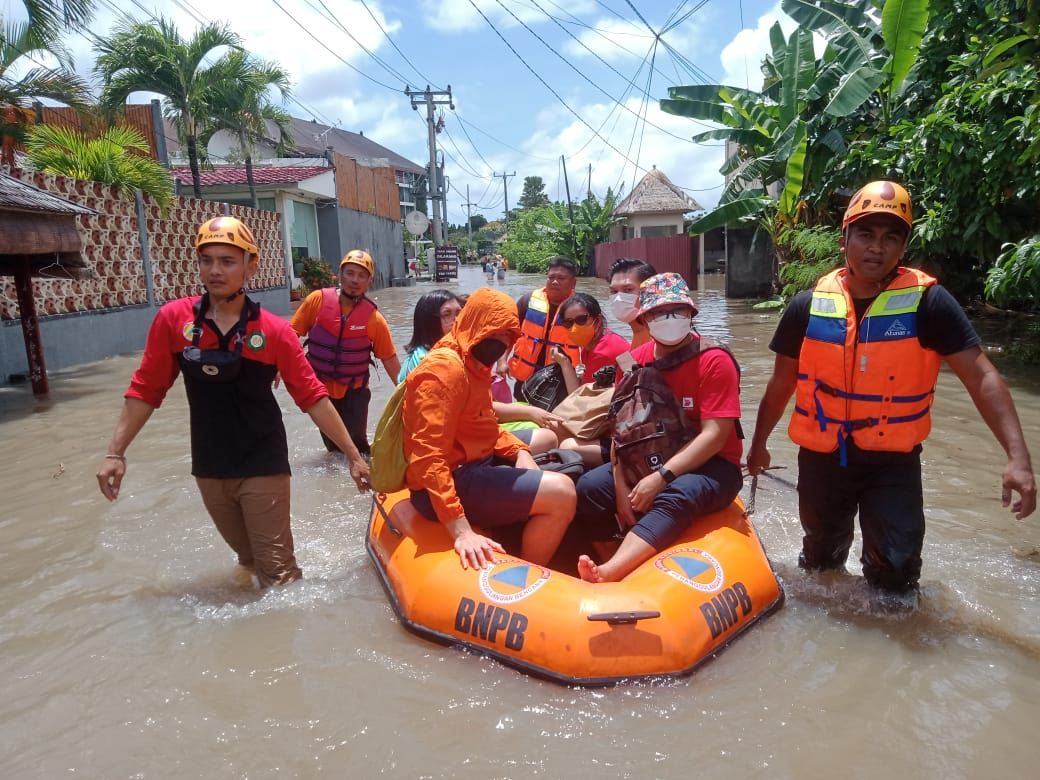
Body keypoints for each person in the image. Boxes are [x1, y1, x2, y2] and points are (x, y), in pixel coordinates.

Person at [746, 180, 1036, 595]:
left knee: (896, 573)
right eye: (865, 234)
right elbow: (781, 382)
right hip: (823, 459)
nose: (876, 248)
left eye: (890, 237)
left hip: (892, 464)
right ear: (845, 238)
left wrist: (1018, 458)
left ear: (902, 249)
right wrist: (759, 445)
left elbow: (982, 377)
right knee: (820, 564)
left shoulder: (930, 305)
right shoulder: (807, 305)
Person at [96, 216, 370, 587]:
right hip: (209, 465)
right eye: (206, 260)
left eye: (227, 261)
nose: (215, 270)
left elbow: (312, 397)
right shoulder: (173, 321)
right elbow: (146, 388)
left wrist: (353, 456)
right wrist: (116, 452)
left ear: (250, 265)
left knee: (279, 576)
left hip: (263, 462)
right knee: (248, 560)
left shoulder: (273, 331)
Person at [575, 273, 744, 583]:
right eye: (658, 312)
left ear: (691, 314)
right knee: (589, 489)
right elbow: (619, 428)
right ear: (645, 318)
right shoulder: (630, 363)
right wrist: (621, 486)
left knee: (679, 492)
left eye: (678, 310)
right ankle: (610, 557)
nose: (669, 318)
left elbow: (715, 435)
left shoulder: (714, 360)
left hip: (712, 465)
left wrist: (661, 477)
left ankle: (611, 573)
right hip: (645, 455)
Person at [398, 287, 576, 570]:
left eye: (508, 335)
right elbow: (428, 456)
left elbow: (483, 424)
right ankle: (528, 575)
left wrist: (519, 452)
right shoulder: (444, 370)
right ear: (476, 324)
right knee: (562, 493)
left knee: (549, 447)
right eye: (496, 332)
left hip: (473, 462)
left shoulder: (473, 362)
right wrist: (461, 529)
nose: (501, 342)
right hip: (449, 481)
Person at [290, 249, 401, 457]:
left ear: (369, 281)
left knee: (357, 445)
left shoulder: (374, 319)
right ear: (339, 275)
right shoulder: (317, 301)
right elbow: (289, 335)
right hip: (320, 392)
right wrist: (279, 366)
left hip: (354, 393)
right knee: (333, 448)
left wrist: (408, 393)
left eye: (361, 276)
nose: (354, 280)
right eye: (349, 273)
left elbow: (390, 360)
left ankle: (366, 481)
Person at [552, 292, 631, 467]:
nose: (574, 327)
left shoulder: (603, 351)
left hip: (620, 436)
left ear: (598, 319)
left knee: (556, 437)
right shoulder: (601, 340)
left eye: (581, 320)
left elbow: (578, 401)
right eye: (568, 322)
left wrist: (565, 363)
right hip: (611, 421)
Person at [508, 255, 582, 400]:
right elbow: (508, 332)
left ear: (573, 283)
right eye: (551, 277)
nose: (554, 281)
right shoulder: (527, 301)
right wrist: (501, 362)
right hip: (526, 379)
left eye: (561, 278)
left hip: (561, 381)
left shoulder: (581, 309)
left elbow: (591, 344)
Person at [398, 289, 462, 382]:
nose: (457, 320)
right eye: (447, 314)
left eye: (459, 313)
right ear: (430, 322)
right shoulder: (423, 361)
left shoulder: (454, 351)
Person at [607, 257, 657, 349]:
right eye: (614, 291)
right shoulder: (639, 334)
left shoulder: (661, 342)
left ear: (649, 292)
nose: (618, 298)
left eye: (628, 290)